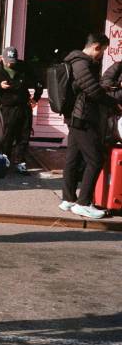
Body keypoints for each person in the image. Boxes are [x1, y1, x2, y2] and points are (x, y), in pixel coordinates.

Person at [59, 33, 121, 219]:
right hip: (82, 117)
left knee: (73, 158)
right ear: (96, 46)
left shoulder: (77, 61)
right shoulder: (81, 62)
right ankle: (83, 203)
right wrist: (113, 103)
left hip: (77, 117)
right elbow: (92, 89)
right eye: (103, 50)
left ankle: (68, 199)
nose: (102, 54)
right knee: (95, 159)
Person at [0, 47, 43, 174]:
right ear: (2, 58)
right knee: (8, 135)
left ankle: (20, 162)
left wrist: (36, 98)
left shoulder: (24, 66)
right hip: (7, 107)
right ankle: (5, 160)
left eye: (13, 61)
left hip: (24, 105)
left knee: (24, 135)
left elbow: (38, 82)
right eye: (8, 61)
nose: (10, 64)